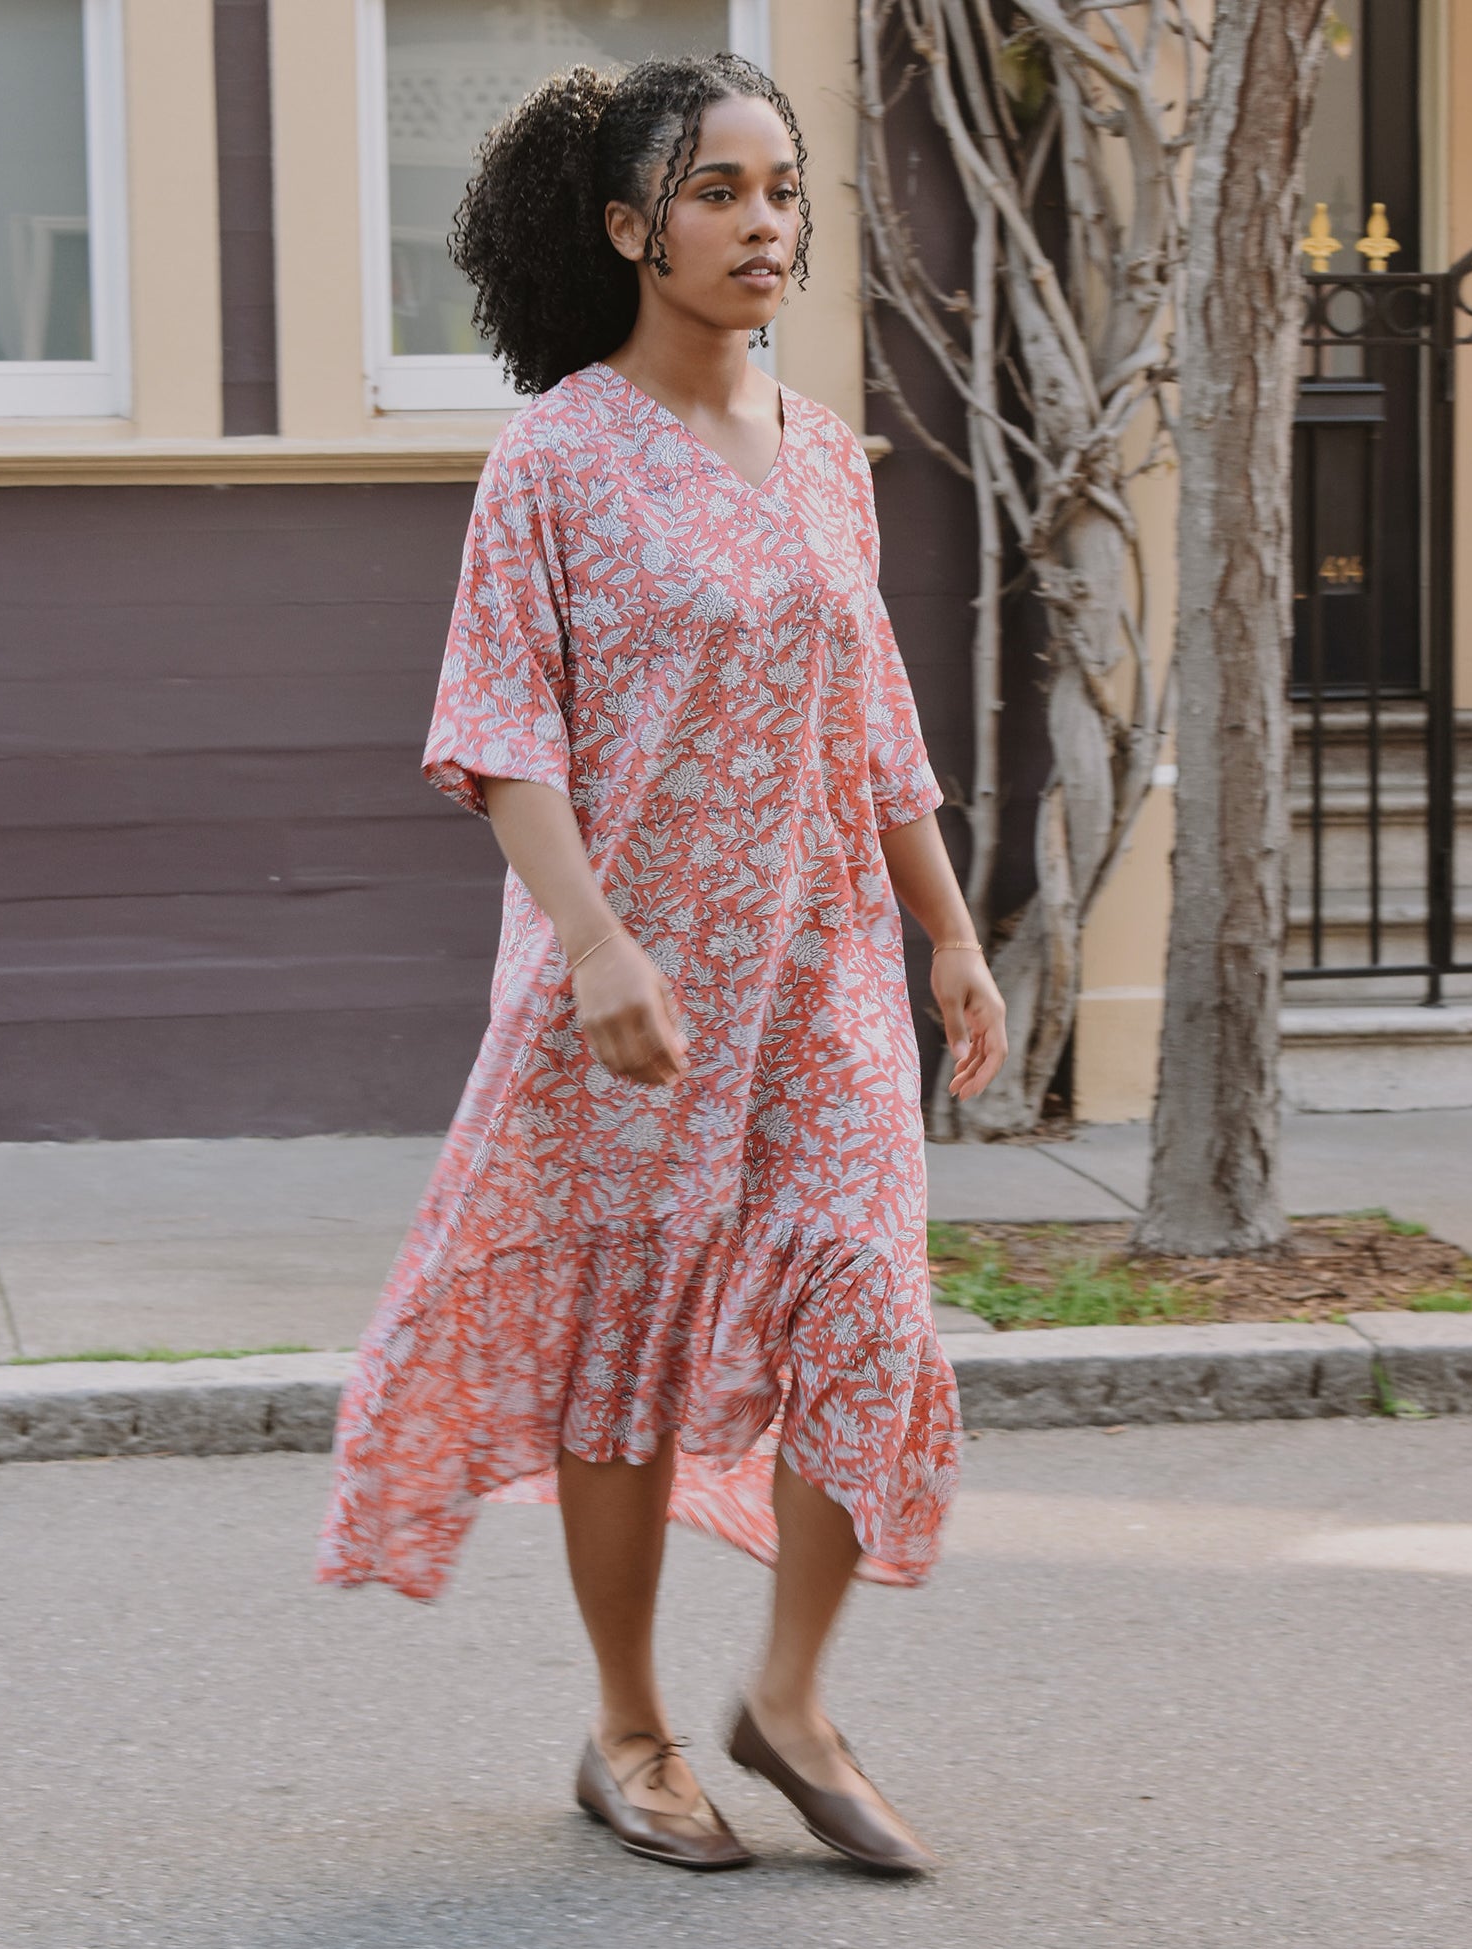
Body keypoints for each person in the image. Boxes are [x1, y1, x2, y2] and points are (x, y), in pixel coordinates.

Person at [317, 50, 1007, 1877]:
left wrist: (946, 932)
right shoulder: (554, 452)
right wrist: (597, 939)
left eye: (782, 189)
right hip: (626, 991)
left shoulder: (829, 455)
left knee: (868, 1299)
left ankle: (785, 1699)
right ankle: (627, 1727)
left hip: (820, 968)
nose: (763, 221)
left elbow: (873, 722)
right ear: (632, 227)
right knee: (622, 1353)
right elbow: (499, 731)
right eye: (719, 190)